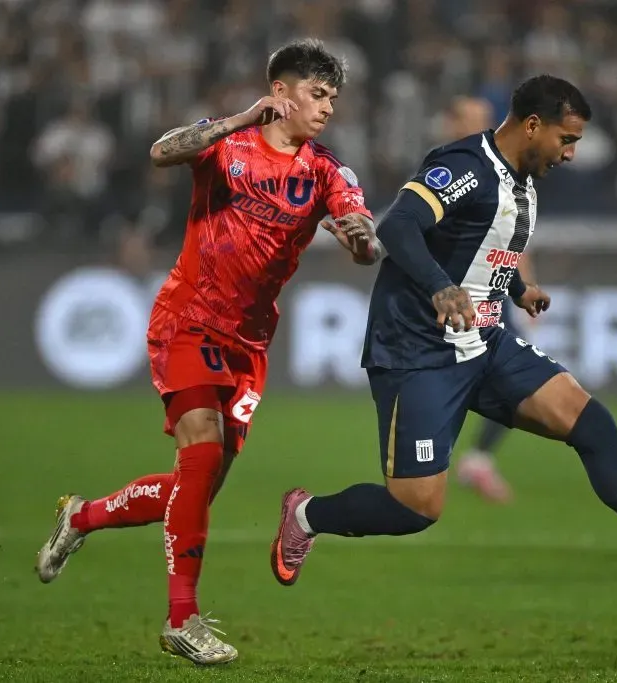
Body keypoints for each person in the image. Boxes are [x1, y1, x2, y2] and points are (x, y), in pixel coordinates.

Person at [269, 75, 617, 594]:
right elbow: (399, 226)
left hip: (484, 342)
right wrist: (441, 287)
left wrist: (515, 286)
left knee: (590, 421)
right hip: (419, 351)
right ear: (533, 125)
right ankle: (307, 515)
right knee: (414, 508)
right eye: (566, 139)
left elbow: (476, 240)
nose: (570, 154)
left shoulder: (523, 180)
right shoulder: (465, 166)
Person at [35, 40, 378, 665]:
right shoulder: (228, 142)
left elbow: (364, 241)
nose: (328, 107)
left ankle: (81, 517)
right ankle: (182, 619)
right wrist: (241, 117)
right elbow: (162, 150)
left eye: (333, 97)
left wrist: (360, 240)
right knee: (200, 454)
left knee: (195, 487)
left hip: (249, 343)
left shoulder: (327, 171)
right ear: (282, 92)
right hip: (189, 320)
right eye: (317, 93)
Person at [442, 95, 537, 503]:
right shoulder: (441, 172)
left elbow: (513, 241)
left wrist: (525, 288)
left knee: (518, 383)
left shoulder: (503, 170)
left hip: (493, 298)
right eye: (471, 118)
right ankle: (436, 465)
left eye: (485, 119)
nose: (481, 126)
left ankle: (477, 459)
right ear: (451, 124)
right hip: (450, 299)